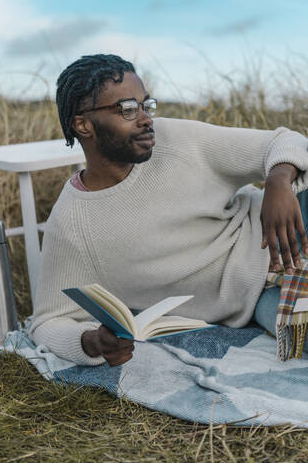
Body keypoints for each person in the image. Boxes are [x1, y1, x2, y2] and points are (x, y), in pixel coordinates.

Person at [28, 53, 308, 367]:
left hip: (288, 221)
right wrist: (92, 341)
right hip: (258, 295)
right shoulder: (72, 223)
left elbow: (283, 142)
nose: (146, 118)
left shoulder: (176, 140)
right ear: (83, 125)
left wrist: (278, 181)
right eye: (127, 109)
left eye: (146, 105)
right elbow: (47, 322)